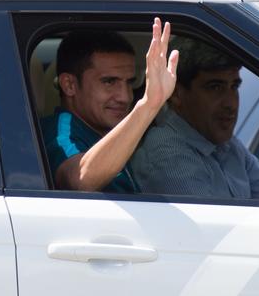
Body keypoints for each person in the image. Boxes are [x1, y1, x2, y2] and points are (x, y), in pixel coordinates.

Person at [41, 18, 179, 192]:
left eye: (130, 82)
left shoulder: (103, 131)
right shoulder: (59, 132)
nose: (126, 96)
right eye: (109, 82)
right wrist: (149, 104)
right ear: (70, 85)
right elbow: (80, 179)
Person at [131, 37, 259, 198]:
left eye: (234, 86)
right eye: (215, 87)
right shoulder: (168, 155)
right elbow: (214, 222)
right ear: (176, 93)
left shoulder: (227, 145)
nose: (231, 103)